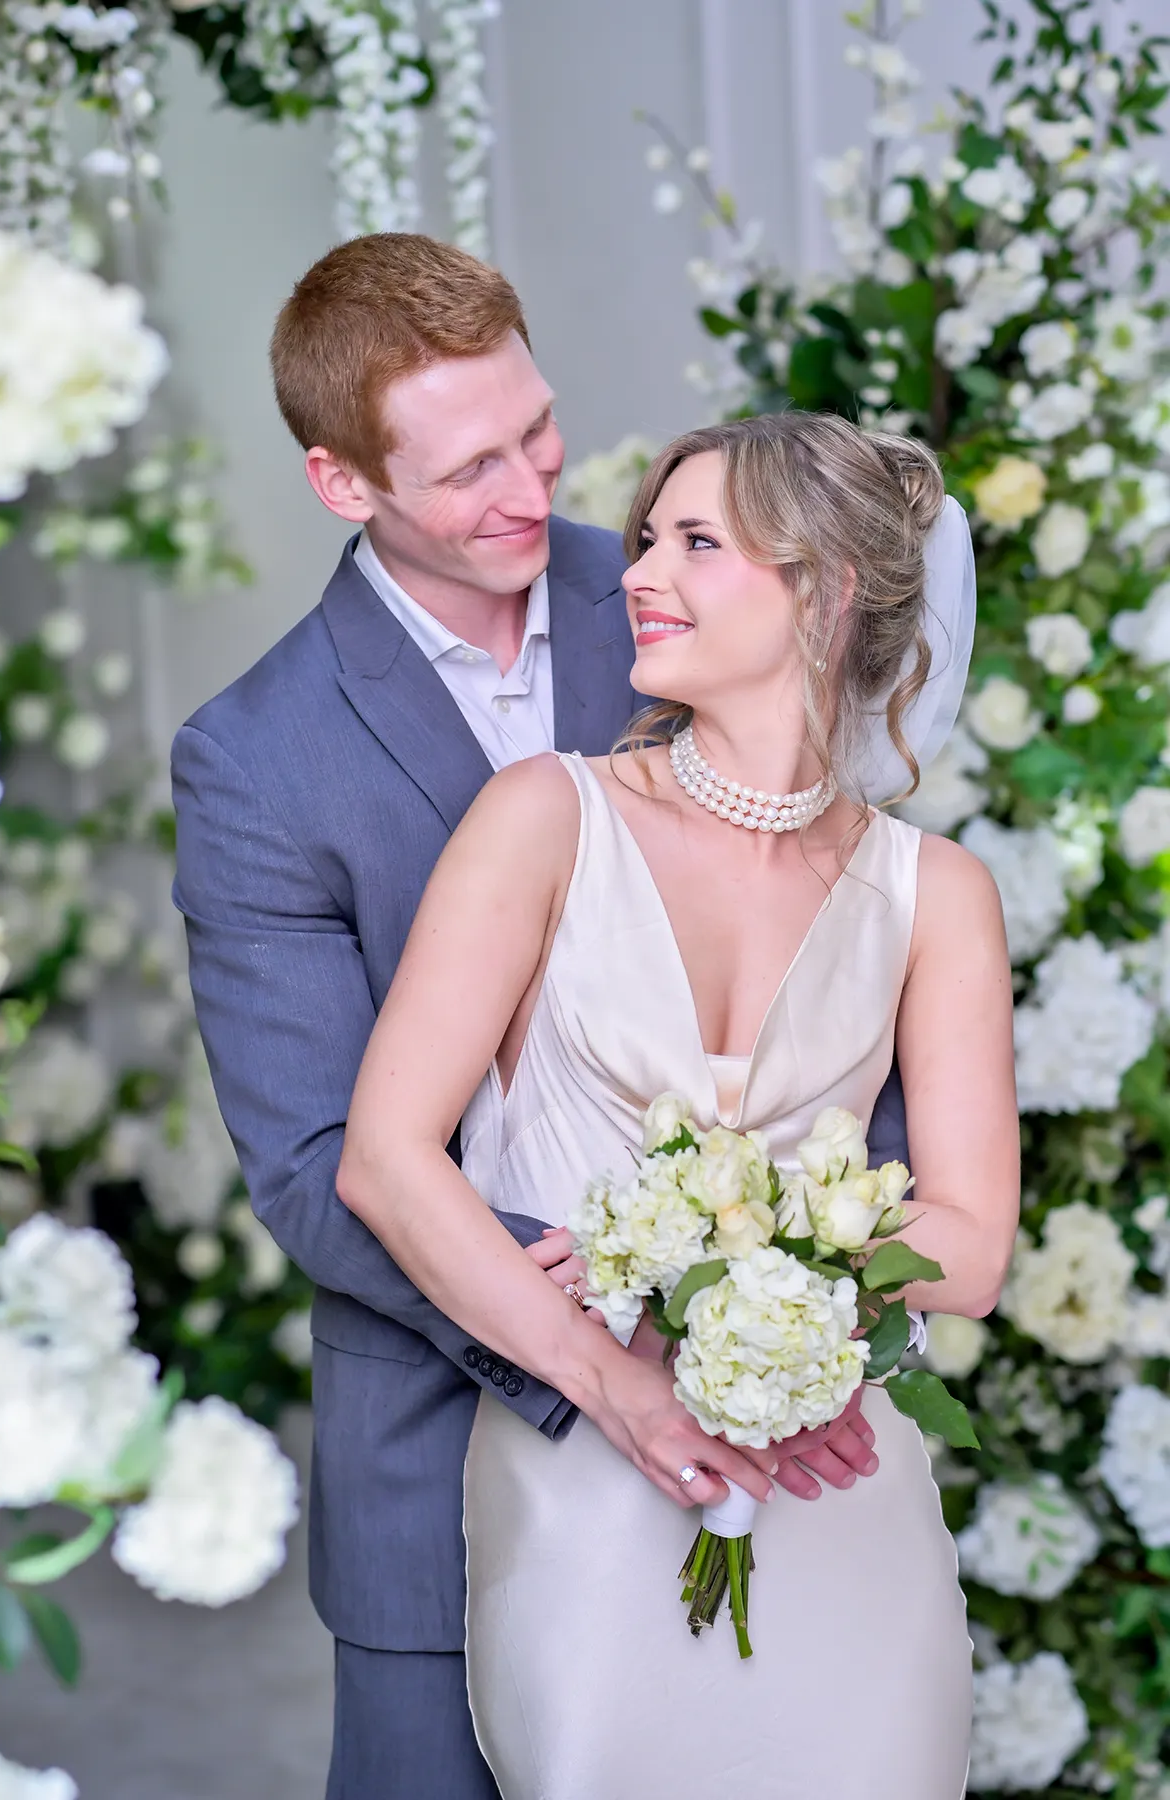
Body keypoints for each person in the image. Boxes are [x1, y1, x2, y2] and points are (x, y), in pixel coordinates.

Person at [171, 237, 886, 1800]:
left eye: (539, 430)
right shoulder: (256, 761)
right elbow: (313, 1163)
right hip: (442, 1460)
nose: (532, 486)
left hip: (778, 1425)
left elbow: (855, 935)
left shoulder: (700, 591)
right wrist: (614, 1316)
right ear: (341, 483)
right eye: (469, 465)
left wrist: (817, 1300)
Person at [334, 413, 1021, 1800]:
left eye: (696, 543)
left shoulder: (933, 894)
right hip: (588, 1485)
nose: (641, 570)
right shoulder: (545, 818)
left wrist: (747, 1277)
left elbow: (973, 1245)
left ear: (824, 591)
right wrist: (619, 1382)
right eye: (648, 539)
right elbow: (386, 1164)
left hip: (837, 1486)